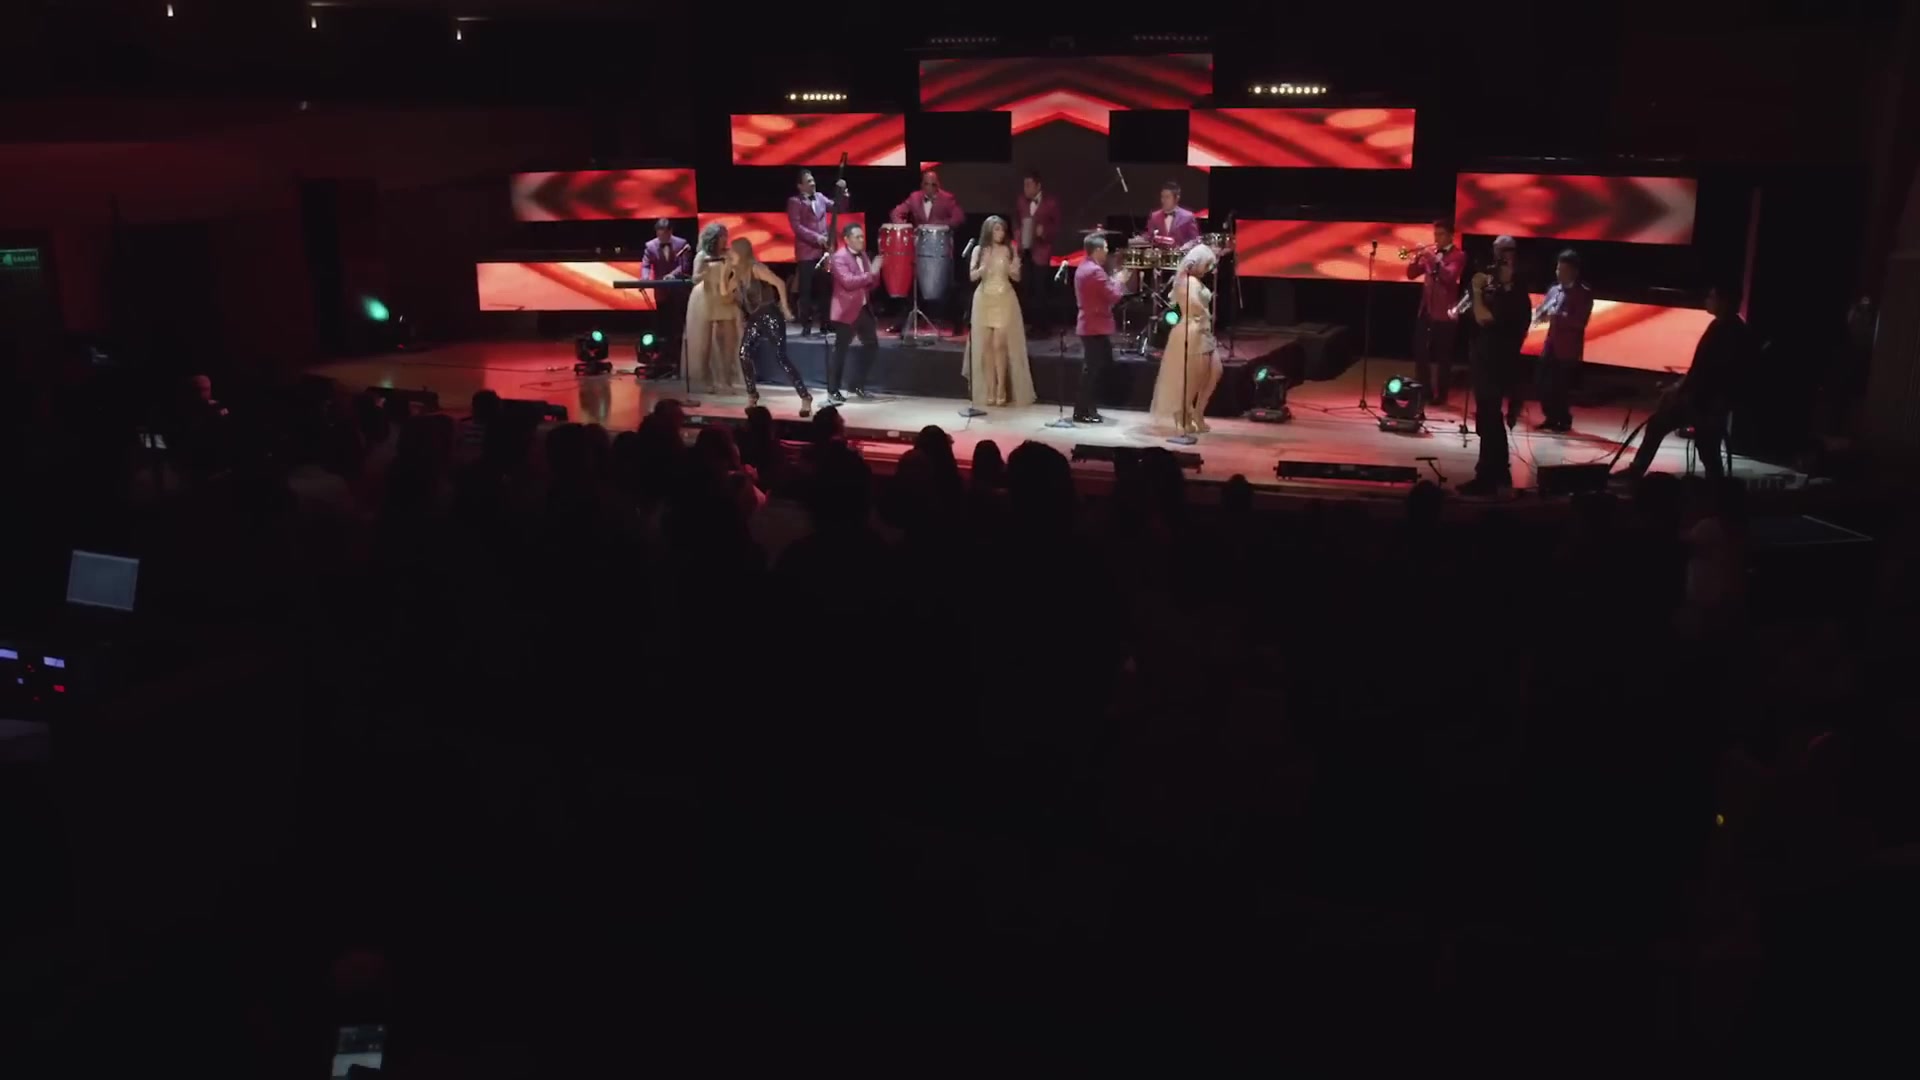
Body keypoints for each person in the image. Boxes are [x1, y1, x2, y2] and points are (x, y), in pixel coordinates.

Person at [1615, 282, 1753, 482]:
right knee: (1676, 433)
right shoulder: (1727, 328)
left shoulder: (1728, 331)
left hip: (1706, 403)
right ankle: (1715, 483)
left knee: (1687, 437)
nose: (1708, 300)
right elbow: (1700, 368)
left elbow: (1710, 372)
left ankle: (1638, 472)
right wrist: (1678, 388)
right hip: (1704, 401)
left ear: (1724, 301)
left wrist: (1678, 391)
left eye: (1712, 297)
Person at [1458, 236, 1535, 495]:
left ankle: (1489, 477)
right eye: (1497, 253)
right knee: (1488, 418)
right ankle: (1498, 473)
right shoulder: (1499, 289)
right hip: (1485, 359)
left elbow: (1484, 318)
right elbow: (1471, 316)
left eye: (1506, 254)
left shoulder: (1515, 294)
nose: (1499, 260)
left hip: (1498, 362)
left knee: (1490, 419)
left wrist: (1477, 291)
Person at [723, 237, 812, 417]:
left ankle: (805, 396)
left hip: (770, 315)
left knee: (781, 357)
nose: (730, 254)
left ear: (741, 252)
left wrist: (785, 307)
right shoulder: (738, 274)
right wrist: (724, 272)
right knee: (744, 353)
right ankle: (752, 396)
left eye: (732, 251)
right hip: (755, 318)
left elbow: (779, 283)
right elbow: (724, 292)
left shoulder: (756, 268)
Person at [959, 216, 1035, 408]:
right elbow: (972, 276)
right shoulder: (979, 250)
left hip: (1004, 298)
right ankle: (990, 389)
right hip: (984, 298)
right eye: (996, 229)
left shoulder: (1010, 249)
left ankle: (1002, 388)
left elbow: (1017, 277)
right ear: (988, 231)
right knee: (986, 347)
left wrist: (1011, 267)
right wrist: (983, 267)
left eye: (1002, 229)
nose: (1000, 233)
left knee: (999, 343)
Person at [1149, 244, 1222, 434]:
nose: (1209, 270)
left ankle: (1198, 412)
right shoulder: (1186, 281)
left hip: (1204, 330)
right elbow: (1194, 305)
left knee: (1215, 371)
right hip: (1192, 330)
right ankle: (1182, 413)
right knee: (1193, 378)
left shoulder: (1195, 281)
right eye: (1207, 265)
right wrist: (1206, 313)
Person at [1405, 220, 1467, 406]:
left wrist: (1431, 257)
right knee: (1420, 352)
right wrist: (1416, 259)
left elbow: (1449, 277)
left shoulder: (1458, 255)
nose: (1436, 238)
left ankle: (1442, 394)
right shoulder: (1432, 255)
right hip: (1426, 310)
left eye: (1440, 234)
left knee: (1443, 357)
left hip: (1444, 313)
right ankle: (1425, 391)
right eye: (1435, 235)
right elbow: (1411, 274)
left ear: (1450, 236)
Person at [1533, 248, 1595, 433]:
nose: (1559, 273)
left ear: (1574, 271)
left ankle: (1563, 419)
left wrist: (1557, 317)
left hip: (1568, 347)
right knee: (1541, 381)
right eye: (1558, 269)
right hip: (1550, 343)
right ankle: (1550, 416)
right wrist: (1541, 313)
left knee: (1561, 386)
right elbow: (1543, 310)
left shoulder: (1583, 293)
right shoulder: (1554, 290)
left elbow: (1580, 322)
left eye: (1563, 270)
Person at [1072, 233, 1131, 423]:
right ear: (1097, 250)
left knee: (1095, 369)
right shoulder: (1095, 271)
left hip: (1091, 324)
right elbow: (1113, 295)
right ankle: (1082, 412)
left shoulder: (1085, 267)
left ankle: (1088, 409)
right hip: (1094, 326)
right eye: (1105, 248)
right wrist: (1120, 280)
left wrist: (1113, 279)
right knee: (1091, 372)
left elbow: (1103, 288)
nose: (1107, 251)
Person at [826, 223, 885, 406]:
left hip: (863, 307)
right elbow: (848, 282)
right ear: (846, 239)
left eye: (862, 236)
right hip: (846, 310)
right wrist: (871, 273)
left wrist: (875, 275)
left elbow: (871, 282)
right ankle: (833, 390)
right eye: (857, 237)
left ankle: (857, 385)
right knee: (840, 351)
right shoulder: (838, 257)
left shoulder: (864, 255)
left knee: (871, 346)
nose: (861, 240)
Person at [786, 168, 848, 337]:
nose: (813, 183)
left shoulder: (820, 197)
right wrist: (817, 238)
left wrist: (842, 192)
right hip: (806, 252)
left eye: (813, 180)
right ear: (800, 186)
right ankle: (806, 325)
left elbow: (838, 208)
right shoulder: (794, 202)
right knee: (806, 290)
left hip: (824, 251)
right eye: (808, 181)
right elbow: (797, 227)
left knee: (825, 289)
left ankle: (826, 324)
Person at [683, 222, 742, 394]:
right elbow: (694, 278)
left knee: (729, 342)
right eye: (722, 237)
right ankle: (706, 380)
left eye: (726, 236)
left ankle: (726, 380)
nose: (725, 240)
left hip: (725, 297)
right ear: (713, 238)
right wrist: (704, 271)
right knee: (705, 342)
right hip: (707, 297)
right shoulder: (702, 256)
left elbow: (738, 273)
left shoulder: (729, 254)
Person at [1014, 169, 1061, 331]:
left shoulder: (1050, 203)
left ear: (1038, 186)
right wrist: (1018, 237)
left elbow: (1056, 227)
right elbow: (1017, 222)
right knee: (1025, 288)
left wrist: (1044, 232)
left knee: (1041, 290)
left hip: (1041, 252)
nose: (1026, 189)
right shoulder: (1021, 201)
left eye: (1029, 185)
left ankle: (1042, 327)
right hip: (1025, 251)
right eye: (1024, 185)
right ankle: (1027, 324)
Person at [889, 168, 965, 228]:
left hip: (941, 239)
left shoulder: (947, 198)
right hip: (920, 239)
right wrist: (902, 225)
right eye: (926, 184)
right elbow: (896, 212)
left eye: (933, 185)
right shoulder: (915, 197)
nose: (930, 188)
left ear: (938, 185)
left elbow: (959, 218)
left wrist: (942, 224)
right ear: (922, 185)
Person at [1143, 181, 1200, 250]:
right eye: (1162, 197)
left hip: (1181, 255)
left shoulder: (1188, 217)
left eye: (1167, 197)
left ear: (1177, 198)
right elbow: (1149, 237)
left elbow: (1195, 240)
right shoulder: (1154, 216)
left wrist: (1183, 248)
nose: (1163, 200)